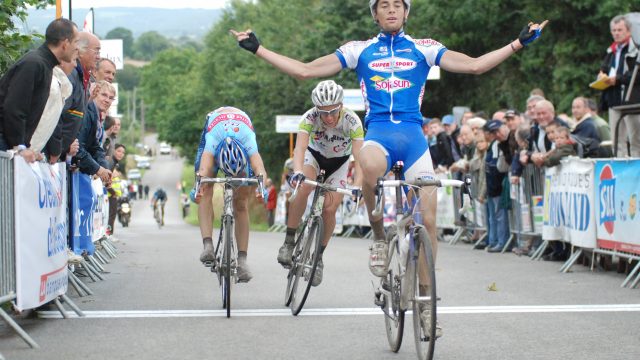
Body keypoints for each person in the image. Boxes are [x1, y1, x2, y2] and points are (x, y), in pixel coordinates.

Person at [231, 0, 547, 337]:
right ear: (375, 14)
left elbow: (474, 66)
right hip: (379, 135)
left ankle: (426, 302)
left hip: (413, 140)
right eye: (385, 6)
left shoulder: (424, 48)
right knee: (367, 164)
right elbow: (305, 70)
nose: (392, 10)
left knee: (428, 219)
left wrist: (517, 44)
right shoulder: (359, 50)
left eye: (398, 5)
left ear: (406, 12)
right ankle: (380, 237)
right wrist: (258, 49)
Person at [276, 80, 363, 287]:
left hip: (340, 162)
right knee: (304, 187)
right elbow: (300, 148)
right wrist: (297, 172)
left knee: (329, 210)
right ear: (317, 109)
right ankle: (289, 241)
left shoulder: (353, 121)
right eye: (324, 113)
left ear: (341, 106)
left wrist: (358, 184)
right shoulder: (309, 117)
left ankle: (319, 257)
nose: (329, 117)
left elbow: (360, 158)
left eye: (333, 111)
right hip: (314, 157)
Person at [193, 106, 268, 283]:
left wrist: (261, 187)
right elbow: (204, 169)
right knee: (205, 188)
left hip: (241, 125)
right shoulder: (213, 140)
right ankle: (208, 245)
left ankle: (242, 260)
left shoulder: (248, 139)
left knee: (241, 203)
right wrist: (199, 186)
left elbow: (260, 169)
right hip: (215, 125)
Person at [0, 18, 78, 161]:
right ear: (65, 44)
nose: (77, 48)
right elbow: (14, 108)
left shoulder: (45, 65)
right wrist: (19, 146)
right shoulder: (34, 64)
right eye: (75, 43)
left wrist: (27, 147)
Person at [46, 31, 101, 163]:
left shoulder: (82, 78)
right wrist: (57, 149)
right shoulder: (71, 77)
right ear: (80, 51)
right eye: (96, 51)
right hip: (52, 156)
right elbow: (57, 114)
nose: (99, 57)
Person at [599, 15, 640, 157]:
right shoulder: (611, 50)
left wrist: (617, 79)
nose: (616, 33)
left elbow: (636, 73)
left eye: (620, 30)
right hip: (614, 100)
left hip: (632, 101)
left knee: (636, 140)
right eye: (614, 30)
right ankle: (621, 173)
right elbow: (604, 69)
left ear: (629, 31)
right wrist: (601, 77)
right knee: (617, 142)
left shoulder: (636, 49)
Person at [74, 80, 114, 184]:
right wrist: (99, 170)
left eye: (111, 98)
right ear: (95, 93)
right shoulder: (87, 112)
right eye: (104, 95)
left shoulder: (95, 114)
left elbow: (95, 147)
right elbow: (79, 148)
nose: (107, 100)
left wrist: (105, 169)